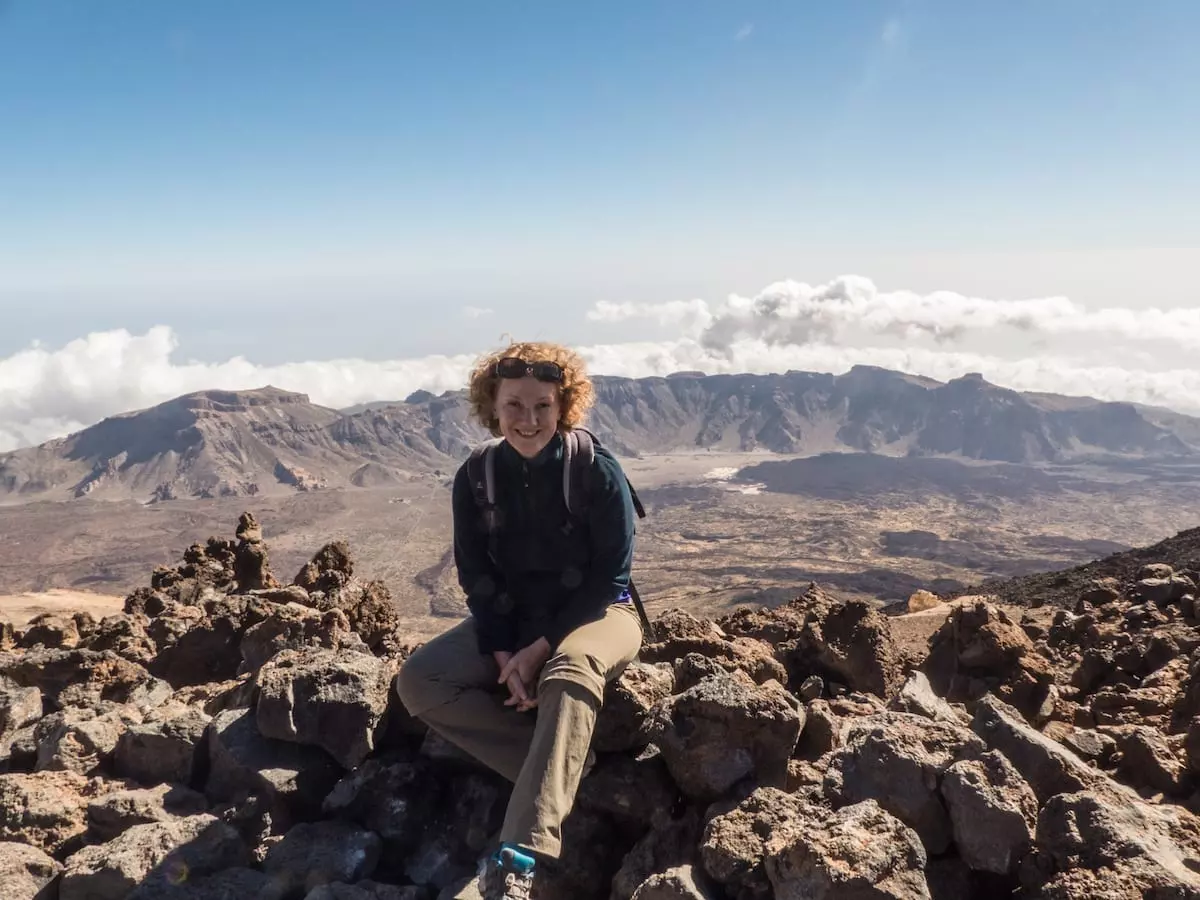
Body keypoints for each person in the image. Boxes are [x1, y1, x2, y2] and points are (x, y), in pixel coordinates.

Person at [396, 340, 644, 900]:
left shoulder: (595, 471)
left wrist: (539, 650)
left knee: (571, 668)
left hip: (602, 614)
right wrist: (505, 651)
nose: (528, 420)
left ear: (564, 408)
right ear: (493, 405)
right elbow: (477, 577)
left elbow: (611, 577)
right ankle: (565, 770)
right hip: (514, 621)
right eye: (514, 406)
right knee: (420, 680)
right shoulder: (477, 476)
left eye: (542, 407)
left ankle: (520, 853)